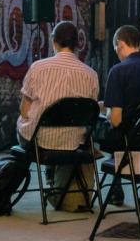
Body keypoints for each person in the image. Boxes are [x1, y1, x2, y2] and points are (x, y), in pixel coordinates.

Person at [16, 21, 99, 209]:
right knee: (66, 137)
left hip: (40, 141)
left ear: (54, 41)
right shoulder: (91, 74)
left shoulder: (38, 68)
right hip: (74, 142)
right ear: (78, 44)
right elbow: (89, 112)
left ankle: (50, 177)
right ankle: (57, 180)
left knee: (23, 124)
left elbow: (23, 110)